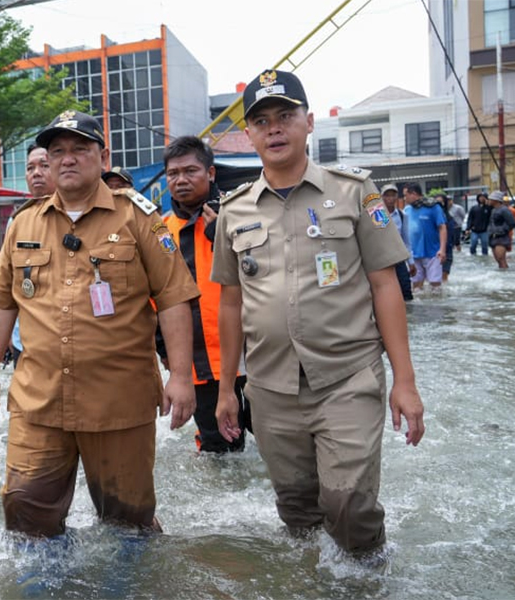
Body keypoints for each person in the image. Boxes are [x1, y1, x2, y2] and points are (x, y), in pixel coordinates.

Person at [211, 69, 425, 559]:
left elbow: (384, 285)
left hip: (347, 377)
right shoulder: (234, 209)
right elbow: (231, 300)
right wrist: (228, 387)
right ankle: (314, 582)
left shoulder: (354, 192)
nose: (275, 128)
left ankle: (368, 579)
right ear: (249, 135)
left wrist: (405, 382)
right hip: (269, 387)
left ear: (309, 123)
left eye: (285, 116)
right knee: (297, 509)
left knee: (348, 502)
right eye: (261, 121)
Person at [0, 110, 200, 538]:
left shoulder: (139, 218)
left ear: (103, 156)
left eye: (80, 148)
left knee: (126, 521)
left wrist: (182, 377)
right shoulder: (24, 222)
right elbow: (1, 303)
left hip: (118, 401)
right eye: (56, 151)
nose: (67, 159)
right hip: (38, 399)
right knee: (25, 512)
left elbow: (174, 297)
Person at [159, 135, 251, 452]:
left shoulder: (240, 216)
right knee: (219, 453)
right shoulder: (160, 232)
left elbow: (270, 275)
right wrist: (167, 357)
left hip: (254, 354)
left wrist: (223, 238)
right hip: (198, 364)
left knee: (278, 444)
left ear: (210, 173)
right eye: (173, 174)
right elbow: (153, 301)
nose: (181, 180)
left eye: (190, 171)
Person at [8, 143, 58, 368]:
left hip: (68, 340)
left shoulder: (79, 214)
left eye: (44, 166)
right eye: (30, 168)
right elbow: (7, 281)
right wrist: (6, 333)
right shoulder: (17, 220)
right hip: (25, 340)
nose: (36, 173)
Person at [403, 182, 447, 292]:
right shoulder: (407, 211)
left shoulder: (433, 207)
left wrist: (442, 250)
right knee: (416, 286)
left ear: (413, 193)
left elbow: (442, 227)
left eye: (405, 195)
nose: (404, 198)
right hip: (414, 254)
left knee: (435, 286)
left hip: (432, 253)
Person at [380, 184, 414, 301]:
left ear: (397, 197)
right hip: (381, 259)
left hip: (398, 257)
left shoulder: (402, 215)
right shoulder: (377, 215)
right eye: (387, 195)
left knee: (406, 289)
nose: (390, 198)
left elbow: (406, 240)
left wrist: (411, 261)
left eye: (392, 195)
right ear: (381, 197)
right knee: (383, 290)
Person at [487, 191, 515, 269]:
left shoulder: (504, 210)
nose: (488, 201)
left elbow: (512, 223)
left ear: (495, 200)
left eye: (490, 199)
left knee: (501, 259)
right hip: (493, 236)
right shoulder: (493, 210)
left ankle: (505, 274)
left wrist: (503, 230)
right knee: (498, 260)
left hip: (501, 237)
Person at [433, 193, 455, 282]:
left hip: (446, 250)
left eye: (441, 202)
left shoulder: (449, 218)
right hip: (433, 250)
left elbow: (451, 235)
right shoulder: (431, 217)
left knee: (443, 277)